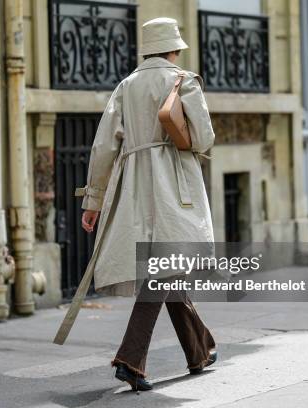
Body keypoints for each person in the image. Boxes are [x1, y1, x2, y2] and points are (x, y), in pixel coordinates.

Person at [56, 17, 217, 391]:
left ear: (146, 48)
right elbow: (204, 139)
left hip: (133, 186)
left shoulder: (125, 86)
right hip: (174, 185)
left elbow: (103, 147)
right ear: (174, 48)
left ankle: (201, 350)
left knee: (166, 268)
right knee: (164, 268)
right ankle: (130, 359)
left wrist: (93, 201)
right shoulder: (184, 80)